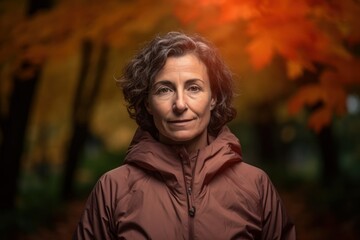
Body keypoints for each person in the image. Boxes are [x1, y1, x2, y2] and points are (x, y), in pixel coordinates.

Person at [73, 31, 296, 239]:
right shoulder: (113, 188)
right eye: (164, 90)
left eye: (194, 88)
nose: (180, 104)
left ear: (214, 98)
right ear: (147, 102)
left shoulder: (255, 186)